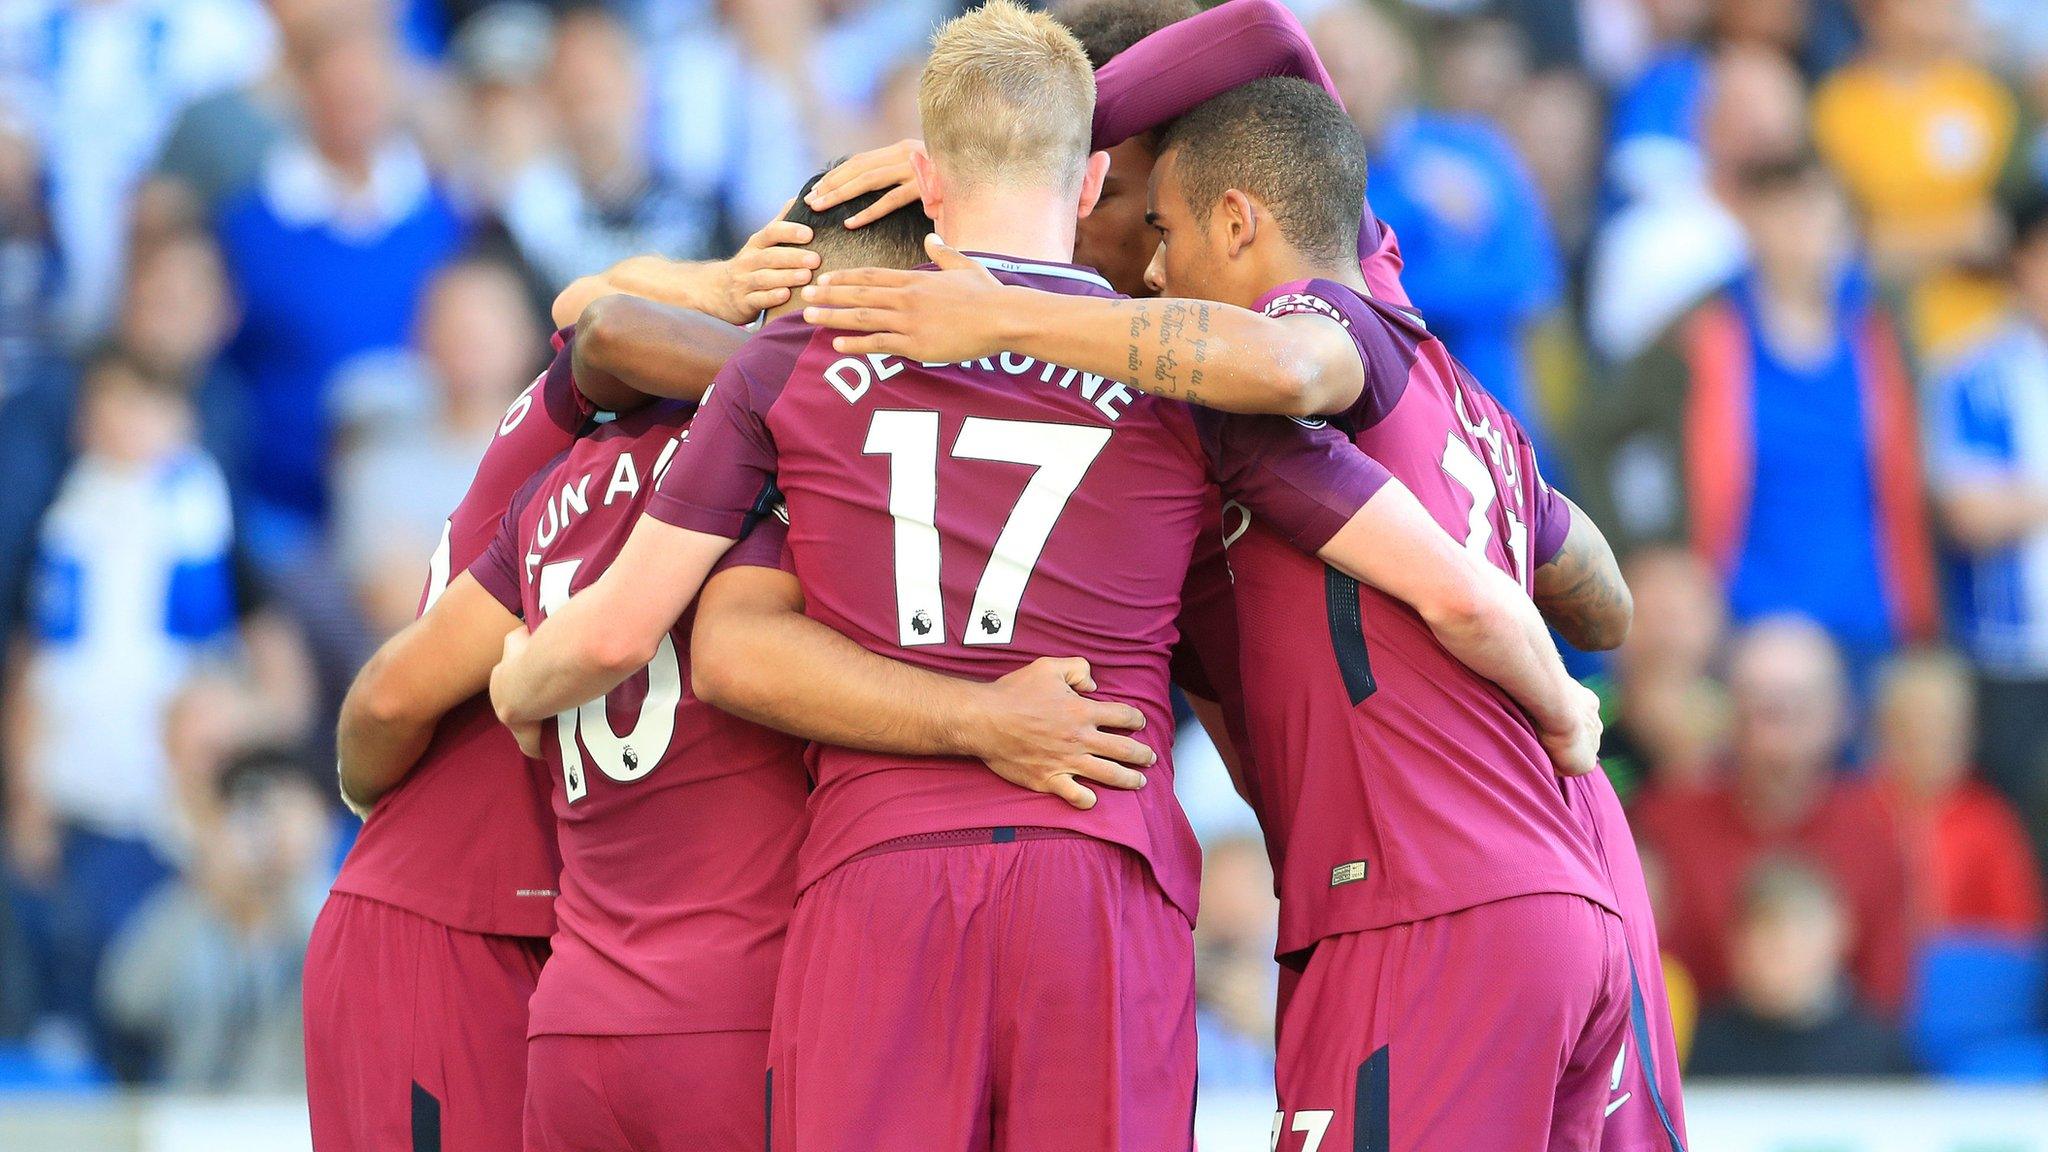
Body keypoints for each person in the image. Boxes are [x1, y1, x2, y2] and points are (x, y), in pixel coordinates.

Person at [493, 8, 1596, 1149]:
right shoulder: (1187, 375)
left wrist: (517, 683)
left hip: (882, 873)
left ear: (925, 176)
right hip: (1098, 867)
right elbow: (1451, 585)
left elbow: (622, 623)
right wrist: (1564, 710)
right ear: (1089, 188)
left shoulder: (799, 357)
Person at [803, 74, 1666, 1152]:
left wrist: (1001, 293)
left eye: (1162, 233)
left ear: (1236, 219)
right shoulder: (1466, 398)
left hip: (1429, 905)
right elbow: (1598, 593)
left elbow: (1436, 554)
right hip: (1561, 893)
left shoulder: (1312, 336)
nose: (1151, 273)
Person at [331, 179, 1165, 1151]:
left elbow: (593, 317)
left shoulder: (568, 466)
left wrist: (510, 686)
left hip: (572, 996)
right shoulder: (812, 477)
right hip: (693, 996)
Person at [307, 213, 823, 1152]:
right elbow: (603, 321)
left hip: (565, 947)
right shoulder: (608, 439)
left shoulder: (641, 445)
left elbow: (593, 308)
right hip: (449, 917)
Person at [1580, 154, 1937, 676]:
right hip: (1740, 625)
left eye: (1815, 210)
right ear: (1749, 222)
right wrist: (1642, 551)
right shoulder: (1702, 331)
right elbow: (1593, 433)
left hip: (1872, 621)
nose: (1801, 230)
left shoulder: (1881, 329)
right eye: (1782, 210)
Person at [1635, 616, 1914, 1017]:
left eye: (1798, 710)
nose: (1777, 739)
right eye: (1762, 710)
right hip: (1699, 1063)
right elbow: (1641, 976)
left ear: (1839, 716)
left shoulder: (1875, 828)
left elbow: (1886, 994)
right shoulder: (1667, 823)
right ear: (1729, 715)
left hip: (1839, 1065)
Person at [1925, 194, 2048, 870]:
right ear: (2022, 264)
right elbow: (1969, 515)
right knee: (2021, 850)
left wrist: (2023, 497)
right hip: (2009, 658)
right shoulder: (1973, 373)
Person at [99, 747, 332, 1093]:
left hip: (299, 1119)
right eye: (254, 816)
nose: (269, 834)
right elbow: (127, 999)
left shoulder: (330, 910)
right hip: (193, 1114)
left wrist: (292, 883)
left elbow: (355, 987)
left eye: (288, 811)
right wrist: (206, 887)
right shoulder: (190, 908)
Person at [1687, 856, 1917, 1078]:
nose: (1784, 947)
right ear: (1736, 943)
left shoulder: (1881, 1055)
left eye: (1803, 931)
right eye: (1767, 932)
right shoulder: (1700, 1049)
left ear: (1840, 935)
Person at [1870, 650, 2045, 938]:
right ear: (1884, 729)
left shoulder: (1990, 823)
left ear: (1969, 735)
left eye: (1944, 727)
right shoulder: (1855, 812)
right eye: (1913, 725)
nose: (1928, 741)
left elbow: (2018, 939)